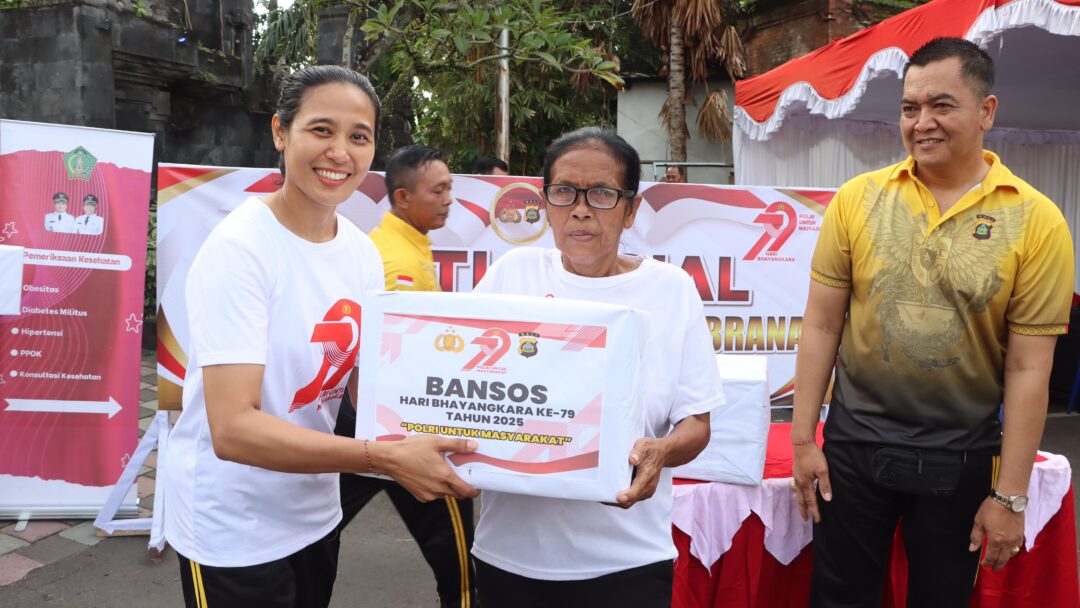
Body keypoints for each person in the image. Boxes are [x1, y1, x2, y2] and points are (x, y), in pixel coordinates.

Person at [161, 65, 478, 608]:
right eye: (321, 130)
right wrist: (384, 458)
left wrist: (474, 426)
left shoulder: (358, 250)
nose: (340, 152)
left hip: (313, 512)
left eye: (359, 136)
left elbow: (364, 384)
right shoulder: (241, 248)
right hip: (232, 528)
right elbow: (233, 429)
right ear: (281, 133)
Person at [791, 37, 1074, 607]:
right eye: (909, 108)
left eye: (942, 105)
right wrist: (804, 439)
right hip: (853, 449)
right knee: (838, 598)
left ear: (986, 112)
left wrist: (1010, 496)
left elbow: (1027, 369)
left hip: (961, 459)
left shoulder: (1036, 219)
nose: (923, 123)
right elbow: (821, 326)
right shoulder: (857, 200)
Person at [469, 127, 724, 607]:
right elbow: (468, 388)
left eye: (602, 193)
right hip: (510, 556)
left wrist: (662, 451)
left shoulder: (670, 290)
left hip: (627, 561)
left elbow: (698, 422)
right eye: (564, 191)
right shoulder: (513, 276)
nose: (581, 209)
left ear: (630, 209)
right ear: (546, 202)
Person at [334, 145, 477, 608]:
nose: (448, 198)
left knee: (314, 529)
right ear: (401, 196)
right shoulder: (395, 262)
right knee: (461, 566)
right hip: (400, 425)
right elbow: (392, 357)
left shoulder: (405, 243)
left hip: (370, 422)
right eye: (438, 190)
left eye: (450, 188)